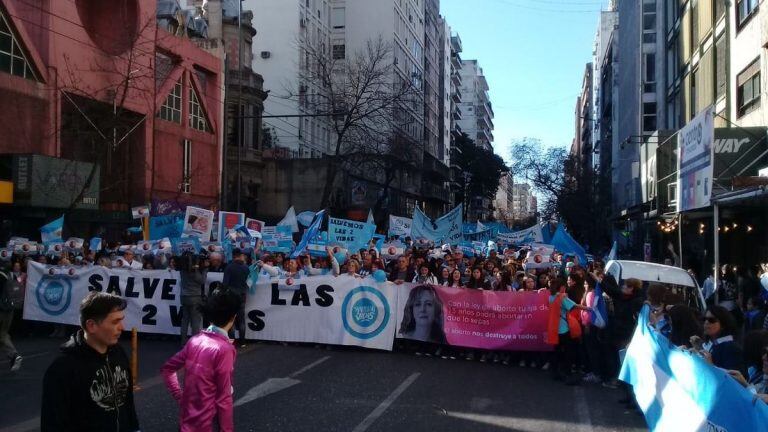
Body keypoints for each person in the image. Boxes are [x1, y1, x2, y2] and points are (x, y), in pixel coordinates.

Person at [41, 291, 140, 432]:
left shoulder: (118, 352)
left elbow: (127, 402)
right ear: (91, 325)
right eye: (115, 322)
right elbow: (53, 423)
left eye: (121, 320)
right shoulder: (63, 368)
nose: (122, 327)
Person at [161, 289, 242, 432]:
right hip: (209, 424)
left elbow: (168, 369)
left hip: (186, 422)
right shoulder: (225, 349)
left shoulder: (195, 340)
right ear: (233, 317)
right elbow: (224, 399)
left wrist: (181, 397)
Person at [698, 305, 744, 372]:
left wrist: (711, 366)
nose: (706, 322)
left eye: (711, 320)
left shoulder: (731, 348)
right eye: (704, 319)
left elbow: (734, 379)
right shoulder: (714, 344)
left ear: (723, 325)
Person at [222, 249, 249, 347]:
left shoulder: (229, 268)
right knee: (241, 320)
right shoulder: (246, 268)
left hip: (231, 296)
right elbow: (248, 282)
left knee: (231, 320)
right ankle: (242, 342)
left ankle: (232, 342)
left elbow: (225, 284)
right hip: (242, 296)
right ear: (240, 255)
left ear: (233, 255)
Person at [179, 253, 207, 345]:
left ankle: (183, 341)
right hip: (194, 297)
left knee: (185, 320)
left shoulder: (182, 271)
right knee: (195, 321)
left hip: (184, 297)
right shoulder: (195, 271)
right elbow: (202, 281)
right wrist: (204, 270)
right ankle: (195, 343)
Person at [0, 262, 22, 371]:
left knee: (2, 335)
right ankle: (12, 356)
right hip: (9, 309)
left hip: (1, 310)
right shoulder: (10, 276)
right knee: (3, 333)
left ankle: (13, 355)